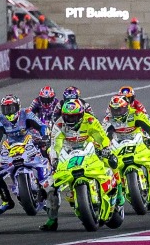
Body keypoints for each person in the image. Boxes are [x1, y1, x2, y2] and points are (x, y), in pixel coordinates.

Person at [43, 97, 119, 232]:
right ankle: (52, 220)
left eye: (74, 117)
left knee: (112, 161)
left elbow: (101, 136)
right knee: (49, 186)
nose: (71, 120)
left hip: (89, 150)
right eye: (68, 117)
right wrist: (54, 160)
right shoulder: (59, 125)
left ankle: (118, 196)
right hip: (68, 156)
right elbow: (56, 144)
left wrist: (106, 148)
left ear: (82, 114)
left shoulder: (90, 120)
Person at [0, 94, 50, 215]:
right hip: (10, 148)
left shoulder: (26, 113)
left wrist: (44, 136)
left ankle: (46, 185)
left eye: (11, 108)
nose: (8, 111)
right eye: (5, 108)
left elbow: (41, 126)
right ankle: (6, 201)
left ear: (17, 107)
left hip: (29, 143)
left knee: (46, 153)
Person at [104, 95, 150, 194]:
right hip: (119, 144)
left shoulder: (136, 114)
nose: (118, 113)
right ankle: (118, 188)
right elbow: (102, 135)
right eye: (115, 110)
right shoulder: (107, 120)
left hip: (138, 138)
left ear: (126, 107)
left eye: (120, 110)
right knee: (107, 161)